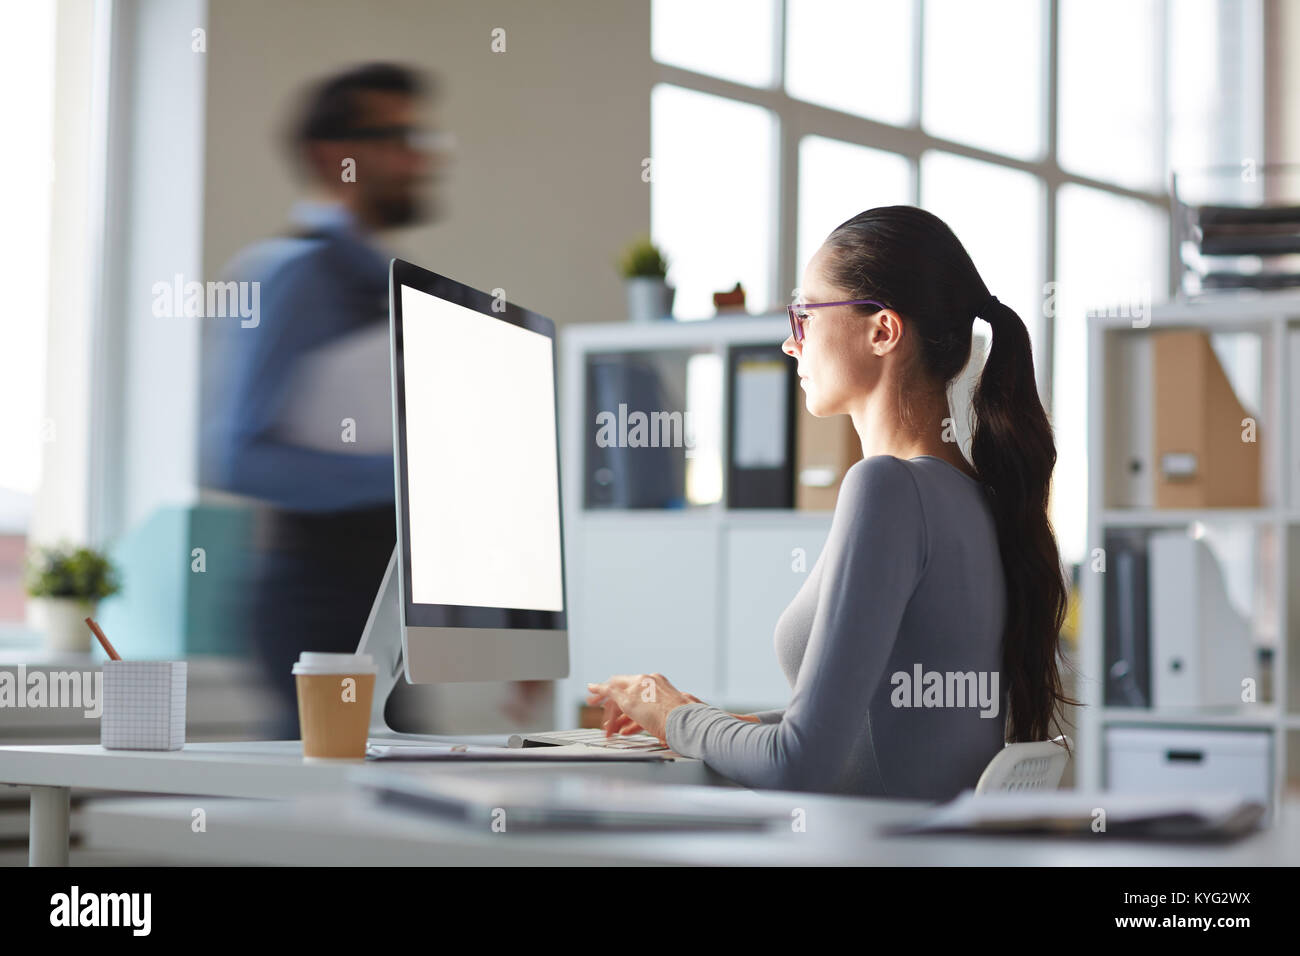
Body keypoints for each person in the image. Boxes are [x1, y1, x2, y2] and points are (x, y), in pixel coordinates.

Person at [587, 205, 1077, 799]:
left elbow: (799, 765)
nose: (790, 343)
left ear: (883, 331)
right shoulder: (979, 499)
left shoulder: (887, 489)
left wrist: (668, 712)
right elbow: (890, 735)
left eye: (805, 315)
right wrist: (706, 722)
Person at [207, 62, 545, 737]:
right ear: (331, 155)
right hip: (317, 597)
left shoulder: (383, 282)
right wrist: (410, 479)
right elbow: (232, 455)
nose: (418, 158)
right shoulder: (293, 277)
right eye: (396, 137)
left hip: (388, 598)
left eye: (422, 138)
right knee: (334, 818)